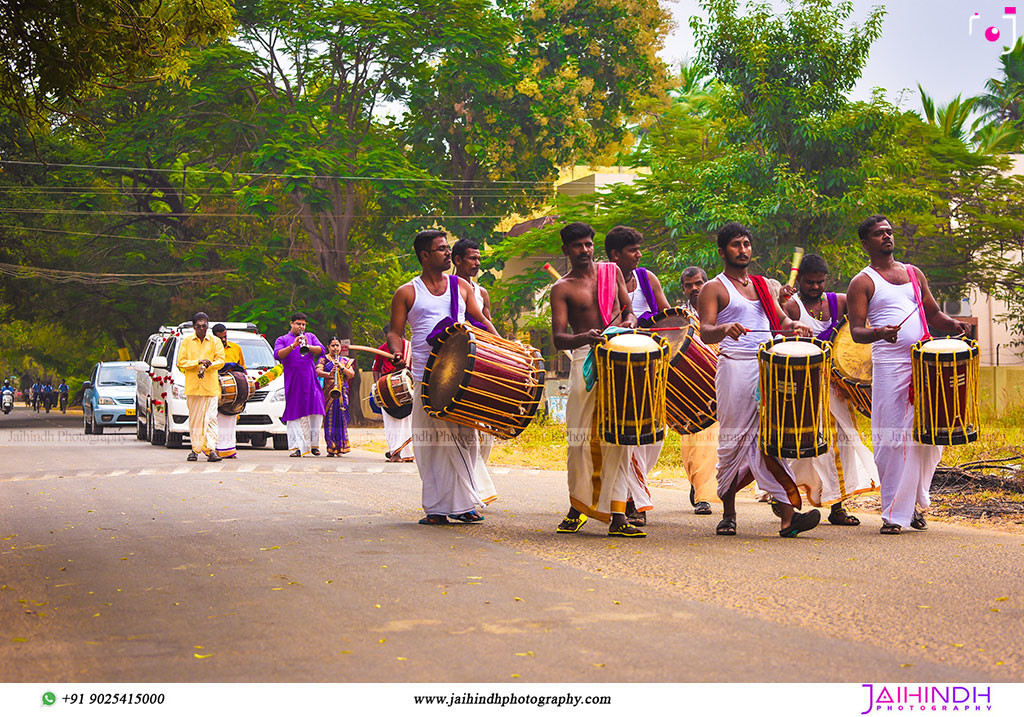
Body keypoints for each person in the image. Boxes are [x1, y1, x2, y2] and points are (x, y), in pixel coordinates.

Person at [846, 215, 971, 535]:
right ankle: (892, 513)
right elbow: (857, 332)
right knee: (891, 440)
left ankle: (914, 502)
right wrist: (879, 333)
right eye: (878, 234)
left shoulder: (914, 273)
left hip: (924, 366)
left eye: (888, 232)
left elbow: (933, 313)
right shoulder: (862, 281)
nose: (886, 237)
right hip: (889, 367)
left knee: (930, 438)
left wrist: (952, 324)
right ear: (866, 244)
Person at [697, 222, 820, 537]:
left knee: (774, 440)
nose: (743, 250)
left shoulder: (763, 285)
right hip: (734, 369)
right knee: (733, 442)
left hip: (769, 370)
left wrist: (795, 325)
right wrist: (725, 329)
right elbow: (705, 330)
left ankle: (788, 517)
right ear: (723, 251)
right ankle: (728, 514)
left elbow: (780, 319)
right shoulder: (714, 287)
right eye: (736, 244)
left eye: (747, 244)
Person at [386, 229, 498, 525]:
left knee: (465, 438)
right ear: (424, 255)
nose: (448, 253)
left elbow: (481, 321)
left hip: (462, 376)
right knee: (430, 442)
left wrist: (505, 348)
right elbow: (394, 332)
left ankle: (464, 505)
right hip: (426, 377)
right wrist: (398, 352)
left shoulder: (460, 286)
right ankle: (436, 507)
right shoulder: (407, 292)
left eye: (448, 249)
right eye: (441, 249)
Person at [551, 221, 644, 538]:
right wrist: (585, 337)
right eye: (577, 245)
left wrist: (627, 325)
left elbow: (629, 311)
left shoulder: (611, 272)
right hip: (584, 360)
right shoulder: (561, 288)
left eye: (589, 244)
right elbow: (559, 338)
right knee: (579, 439)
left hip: (619, 357)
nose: (585, 250)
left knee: (619, 439)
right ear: (566, 250)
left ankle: (618, 516)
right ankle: (578, 507)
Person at [777, 254, 879, 524]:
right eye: (809, 282)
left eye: (820, 282)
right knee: (807, 449)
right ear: (799, 280)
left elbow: (856, 332)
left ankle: (837, 507)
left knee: (843, 444)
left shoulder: (840, 302)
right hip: (806, 389)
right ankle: (787, 497)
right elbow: (777, 340)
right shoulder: (791, 308)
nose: (815, 287)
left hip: (838, 388)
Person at [604, 225, 671, 527]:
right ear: (616, 255)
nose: (639, 255)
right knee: (629, 437)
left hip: (651, 371)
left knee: (653, 438)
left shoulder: (647, 278)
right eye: (632, 250)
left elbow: (669, 316)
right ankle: (634, 502)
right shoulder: (603, 281)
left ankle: (633, 494)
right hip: (619, 372)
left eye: (639, 249)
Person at [678, 266, 720, 516]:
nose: (694, 288)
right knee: (697, 441)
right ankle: (701, 491)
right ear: (683, 289)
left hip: (722, 377)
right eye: (689, 285)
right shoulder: (680, 317)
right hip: (693, 386)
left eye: (699, 283)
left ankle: (711, 490)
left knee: (722, 441)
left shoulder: (722, 308)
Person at [451, 238, 495, 464]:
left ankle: (479, 477)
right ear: (458, 260)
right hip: (457, 361)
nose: (477, 263)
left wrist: (501, 346)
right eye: (472, 258)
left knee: (484, 425)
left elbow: (486, 323)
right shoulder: (447, 287)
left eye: (479, 258)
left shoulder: (482, 292)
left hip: (481, 360)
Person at [274, 312, 325, 457]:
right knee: (294, 413)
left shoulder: (310, 337)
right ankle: (296, 447)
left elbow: (322, 350)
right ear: (291, 324)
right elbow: (278, 355)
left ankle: (314, 445)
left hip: (310, 379)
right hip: (293, 381)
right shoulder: (282, 339)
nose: (301, 326)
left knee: (316, 410)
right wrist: (293, 345)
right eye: (298, 323)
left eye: (303, 324)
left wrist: (308, 346)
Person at [176, 312, 225, 462]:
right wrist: (198, 362)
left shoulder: (215, 341)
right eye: (198, 326)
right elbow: (181, 362)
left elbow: (221, 360)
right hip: (194, 387)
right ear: (194, 327)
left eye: (204, 326)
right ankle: (195, 449)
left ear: (208, 326)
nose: (202, 329)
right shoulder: (187, 341)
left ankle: (210, 450)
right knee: (196, 420)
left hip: (210, 387)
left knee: (211, 419)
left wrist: (209, 365)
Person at [372, 327, 414, 462]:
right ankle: (395, 452)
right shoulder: (381, 349)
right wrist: (378, 386)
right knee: (391, 422)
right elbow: (376, 369)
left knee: (407, 421)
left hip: (407, 386)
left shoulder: (410, 348)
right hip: (386, 388)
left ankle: (407, 453)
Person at [211, 324, 245, 458]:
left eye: (225, 336)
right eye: (220, 338)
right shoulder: (210, 350)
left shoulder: (236, 348)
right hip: (216, 388)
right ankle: (215, 448)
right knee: (215, 419)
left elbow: (242, 368)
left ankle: (229, 449)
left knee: (231, 418)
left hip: (233, 389)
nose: (223, 339)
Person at [317, 338, 355, 456]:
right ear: (328, 346)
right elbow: (318, 371)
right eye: (332, 345)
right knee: (329, 419)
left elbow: (352, 374)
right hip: (329, 393)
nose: (335, 348)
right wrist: (329, 373)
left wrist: (341, 368)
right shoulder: (324, 359)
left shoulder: (344, 360)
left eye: (337, 345)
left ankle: (341, 447)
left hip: (342, 393)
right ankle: (331, 447)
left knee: (341, 419)